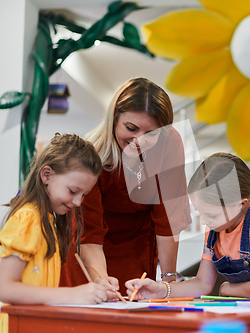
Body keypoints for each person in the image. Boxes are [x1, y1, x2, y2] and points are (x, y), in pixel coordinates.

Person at [60, 77, 192, 296]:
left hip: (138, 248)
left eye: (151, 134)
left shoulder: (169, 143)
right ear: (113, 119)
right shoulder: (91, 156)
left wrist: (169, 284)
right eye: (131, 128)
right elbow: (89, 235)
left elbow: (168, 217)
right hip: (91, 252)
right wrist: (102, 283)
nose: (139, 141)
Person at [125, 153, 250, 301]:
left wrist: (226, 288)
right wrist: (159, 290)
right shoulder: (215, 229)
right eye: (201, 213)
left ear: (241, 203)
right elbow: (202, 284)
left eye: (211, 215)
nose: (205, 221)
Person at [0, 134, 110, 333]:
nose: (78, 202)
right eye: (73, 191)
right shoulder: (28, 218)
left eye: (84, 195)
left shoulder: (48, 220)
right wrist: (72, 295)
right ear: (47, 175)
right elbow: (6, 289)